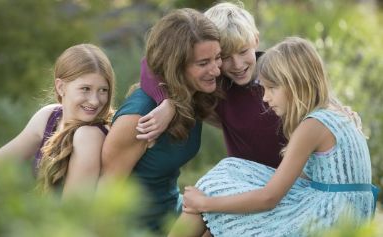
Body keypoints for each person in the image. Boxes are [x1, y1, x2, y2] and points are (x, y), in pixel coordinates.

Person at [168, 37, 379, 237]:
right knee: (230, 171)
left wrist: (204, 203)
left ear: (296, 84)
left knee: (215, 186)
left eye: (271, 88)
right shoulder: (335, 113)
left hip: (327, 217)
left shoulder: (313, 125)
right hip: (341, 209)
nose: (266, 98)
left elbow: (269, 198)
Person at [99, 8, 222, 233]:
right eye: (203, 63)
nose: (215, 69)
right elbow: (104, 196)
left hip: (172, 216)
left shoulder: (192, 97)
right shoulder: (140, 116)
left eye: (218, 58)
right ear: (175, 67)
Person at [137, 1, 286, 169]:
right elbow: (148, 65)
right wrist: (167, 102)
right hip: (248, 180)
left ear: (256, 40)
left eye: (243, 51)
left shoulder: (281, 73)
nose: (237, 64)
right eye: (225, 56)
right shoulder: (216, 86)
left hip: (298, 175)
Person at [0, 44, 115, 199]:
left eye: (103, 90)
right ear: (61, 87)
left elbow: (73, 212)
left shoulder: (89, 135)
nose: (95, 101)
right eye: (85, 89)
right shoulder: (50, 116)